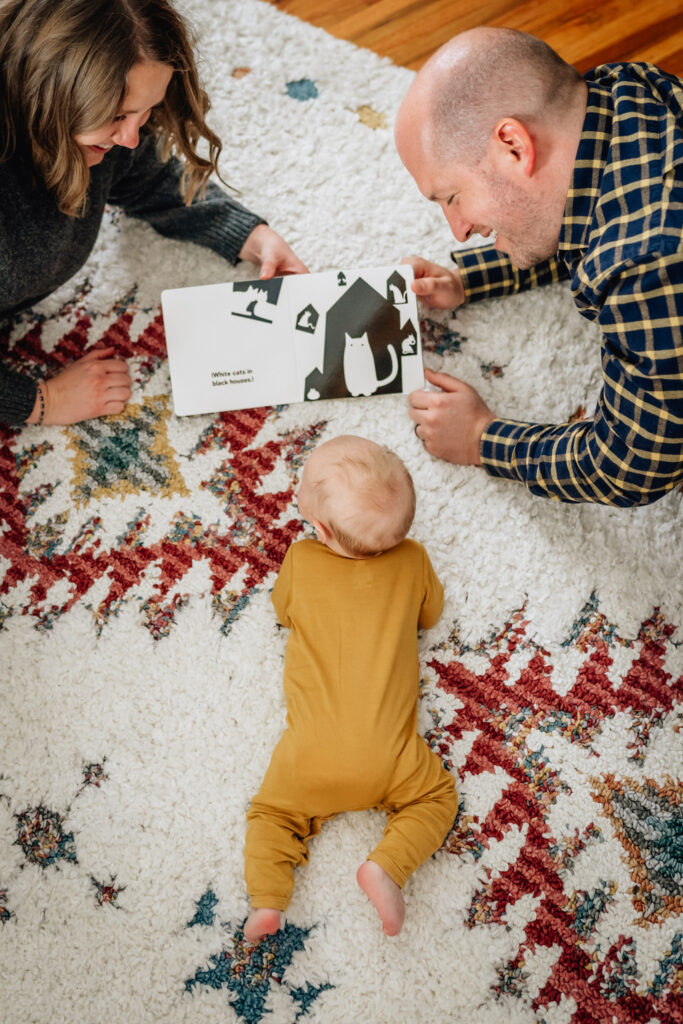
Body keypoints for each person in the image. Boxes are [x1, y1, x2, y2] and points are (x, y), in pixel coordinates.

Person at [395, 27, 683, 507]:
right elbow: (564, 214)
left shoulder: (645, 266)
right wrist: (469, 277)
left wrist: (483, 438)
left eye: (452, 197)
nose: (458, 230)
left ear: (513, 146)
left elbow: (631, 466)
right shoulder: (628, 89)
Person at [0, 0, 307, 428]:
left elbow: (148, 177)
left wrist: (251, 236)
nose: (130, 136)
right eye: (117, 116)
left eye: (145, 113)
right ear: (48, 92)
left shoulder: (97, 137)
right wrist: (40, 401)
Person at [243, 435, 458, 942]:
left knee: (273, 816)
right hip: (391, 756)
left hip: (310, 757)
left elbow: (282, 612)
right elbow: (431, 615)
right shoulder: (413, 560)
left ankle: (268, 900)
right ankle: (385, 867)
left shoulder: (299, 561)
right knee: (436, 799)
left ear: (319, 529)